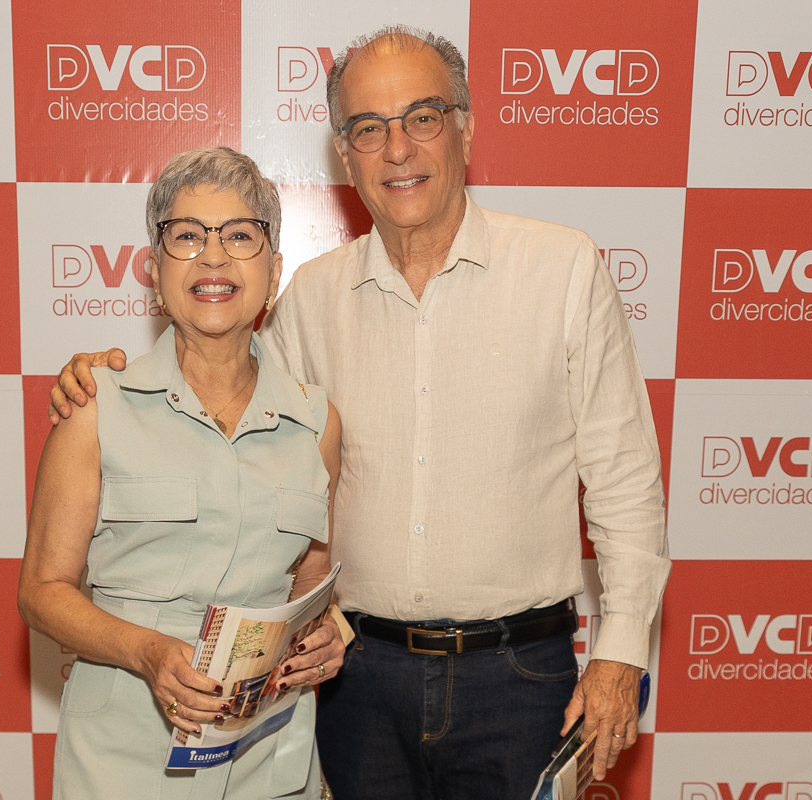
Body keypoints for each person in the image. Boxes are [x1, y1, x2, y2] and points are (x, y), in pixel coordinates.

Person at [49, 27, 670, 800]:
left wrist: (621, 652)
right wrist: (103, 371)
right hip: (353, 682)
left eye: (422, 117)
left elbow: (624, 477)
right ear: (344, 154)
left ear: (466, 128)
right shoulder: (310, 296)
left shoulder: (563, 268)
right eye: (368, 128)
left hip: (518, 680)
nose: (398, 149)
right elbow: (217, 386)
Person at [19, 147, 345, 800]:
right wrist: (146, 651)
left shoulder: (317, 423)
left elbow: (310, 590)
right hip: (124, 761)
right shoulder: (96, 407)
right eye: (188, 236)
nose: (214, 257)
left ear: (274, 271)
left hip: (266, 761)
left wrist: (329, 634)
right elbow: (41, 591)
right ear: (154, 269)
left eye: (241, 236)